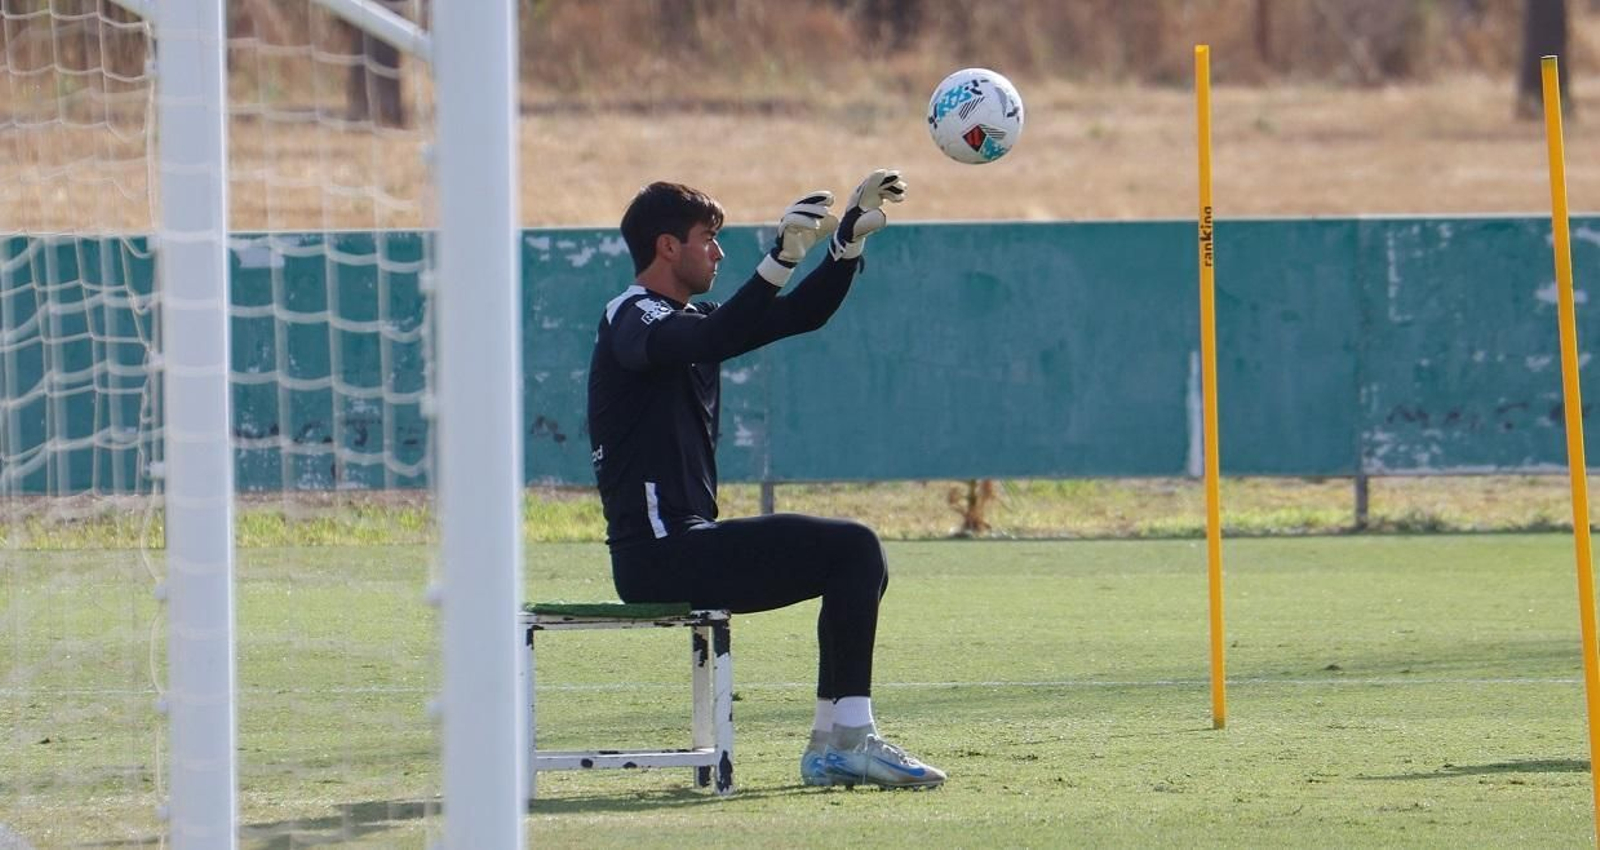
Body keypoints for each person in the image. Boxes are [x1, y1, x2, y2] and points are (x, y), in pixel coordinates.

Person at [586, 169, 946, 790]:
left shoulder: (692, 320)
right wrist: (779, 257)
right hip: (657, 555)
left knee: (859, 561)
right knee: (855, 547)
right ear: (668, 247)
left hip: (686, 545)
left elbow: (799, 315)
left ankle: (835, 743)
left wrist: (846, 247)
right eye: (708, 238)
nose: (720, 252)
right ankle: (849, 739)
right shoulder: (632, 313)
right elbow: (714, 334)